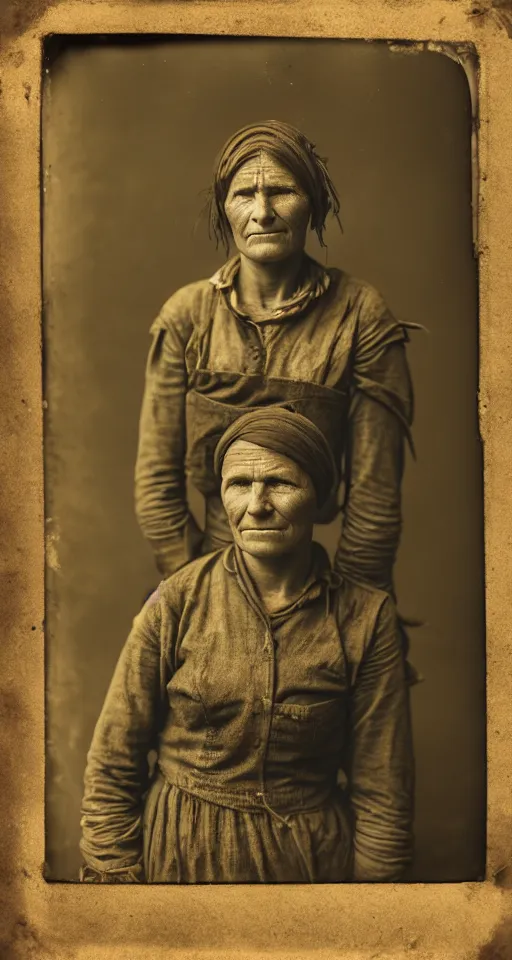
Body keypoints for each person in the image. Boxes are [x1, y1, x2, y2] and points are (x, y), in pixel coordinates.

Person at [80, 408, 414, 884]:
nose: (256, 505)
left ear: (317, 497)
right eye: (238, 484)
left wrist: (370, 909)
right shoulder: (174, 600)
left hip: (310, 866)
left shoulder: (365, 616)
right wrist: (115, 882)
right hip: (181, 854)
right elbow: (113, 762)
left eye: (280, 483)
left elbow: (384, 791)